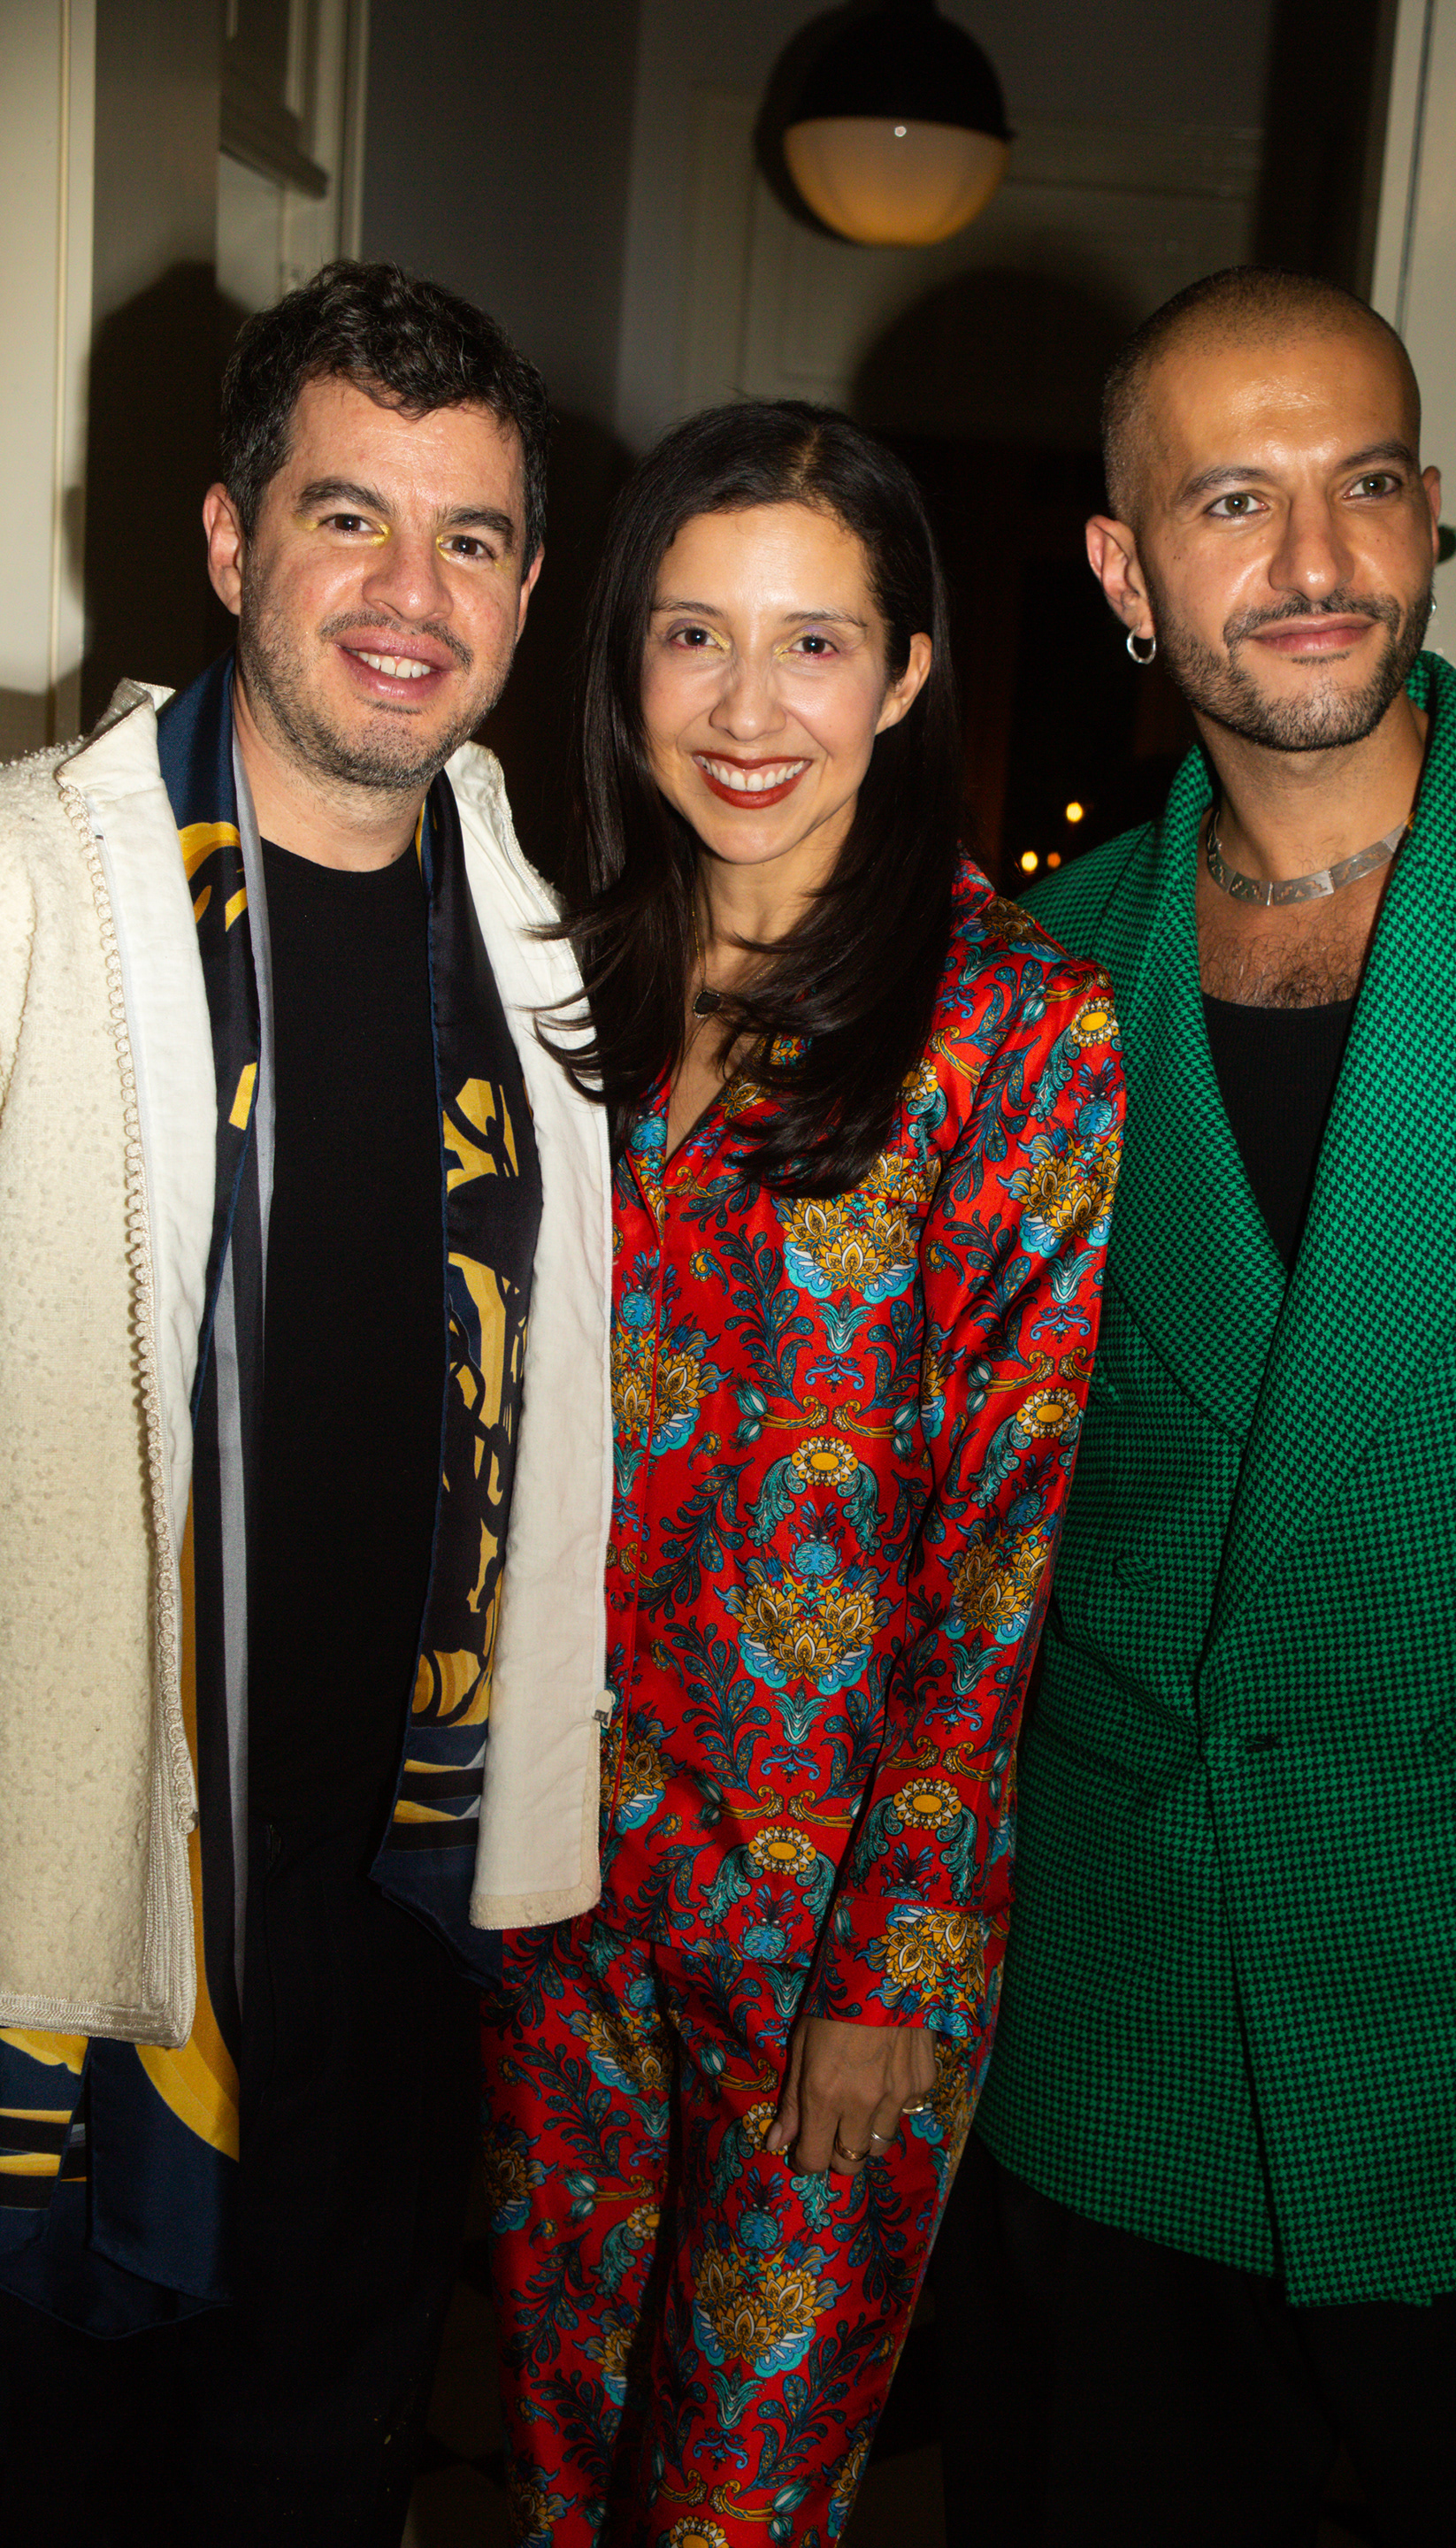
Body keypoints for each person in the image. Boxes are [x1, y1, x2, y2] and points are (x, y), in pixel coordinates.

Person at [932, 263, 1456, 2545]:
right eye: (1232, 502)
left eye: (1364, 484)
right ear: (1124, 567)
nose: (1314, 559)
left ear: (1431, 510)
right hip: (1127, 2041)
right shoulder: (1027, 974)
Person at [0, 262, 612, 2546]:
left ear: (528, 589)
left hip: (387, 1919)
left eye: (470, 538)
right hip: (69, 1922)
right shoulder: (27, 895)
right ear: (228, 540)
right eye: (347, 516)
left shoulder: (547, 952)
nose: (409, 593)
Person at [481, 400, 1123, 2544]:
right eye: (694, 636)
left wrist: (889, 1966)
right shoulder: (552, 975)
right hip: (552, 1874)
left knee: (732, 2507)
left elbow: (1003, 1541)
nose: (747, 710)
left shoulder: (1020, 1026)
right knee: (558, 2463)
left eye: (815, 643)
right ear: (623, 658)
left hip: (826, 1916)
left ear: (909, 670)